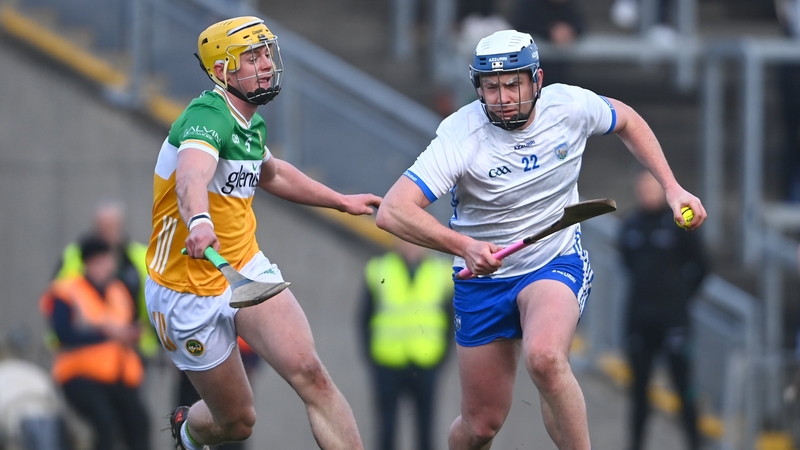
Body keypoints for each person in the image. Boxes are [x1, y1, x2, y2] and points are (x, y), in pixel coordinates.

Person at [374, 29, 706, 450]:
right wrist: (465, 247)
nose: (503, 96)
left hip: (553, 261)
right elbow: (393, 210)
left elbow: (628, 120)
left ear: (537, 79)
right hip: (483, 280)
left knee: (546, 360)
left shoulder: (569, 106)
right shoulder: (460, 136)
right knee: (481, 425)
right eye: (491, 87)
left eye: (513, 83)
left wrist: (673, 187)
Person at [144, 16, 380, 450]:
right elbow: (191, 176)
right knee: (237, 422)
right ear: (222, 72)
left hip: (244, 268)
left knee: (312, 374)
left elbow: (273, 175)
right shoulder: (206, 117)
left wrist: (340, 201)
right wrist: (199, 221)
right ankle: (188, 430)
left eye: (266, 54)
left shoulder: (248, 122)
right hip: (185, 291)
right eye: (251, 58)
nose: (267, 65)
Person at [618, 170, 707, 450]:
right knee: (639, 390)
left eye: (651, 188)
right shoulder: (630, 225)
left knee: (683, 386)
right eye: (642, 188)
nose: (647, 193)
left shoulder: (680, 221)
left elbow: (702, 265)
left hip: (673, 319)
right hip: (639, 320)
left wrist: (681, 297)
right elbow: (627, 263)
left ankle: (695, 443)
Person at [40, 236, 151, 450]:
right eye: (101, 260)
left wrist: (131, 335)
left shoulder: (118, 291)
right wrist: (107, 334)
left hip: (117, 377)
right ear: (89, 262)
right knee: (105, 425)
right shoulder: (67, 290)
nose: (107, 265)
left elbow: (126, 325)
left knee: (139, 422)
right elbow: (62, 334)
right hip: (80, 376)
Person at [359, 238, 454, 450]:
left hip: (426, 363)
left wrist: (441, 359)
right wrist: (372, 359)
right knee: (386, 430)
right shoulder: (378, 268)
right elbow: (363, 319)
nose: (411, 246)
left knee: (425, 431)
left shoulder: (441, 273)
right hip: (387, 362)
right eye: (406, 240)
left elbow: (451, 321)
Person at [53, 200, 159, 359]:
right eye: (103, 226)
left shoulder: (141, 257)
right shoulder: (73, 256)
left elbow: (156, 300)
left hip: (134, 349)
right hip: (81, 349)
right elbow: (59, 298)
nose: (108, 232)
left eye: (112, 226)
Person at [175, 337, 261, 450]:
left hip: (237, 358)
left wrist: (251, 360)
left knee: (237, 427)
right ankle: (186, 434)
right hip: (196, 355)